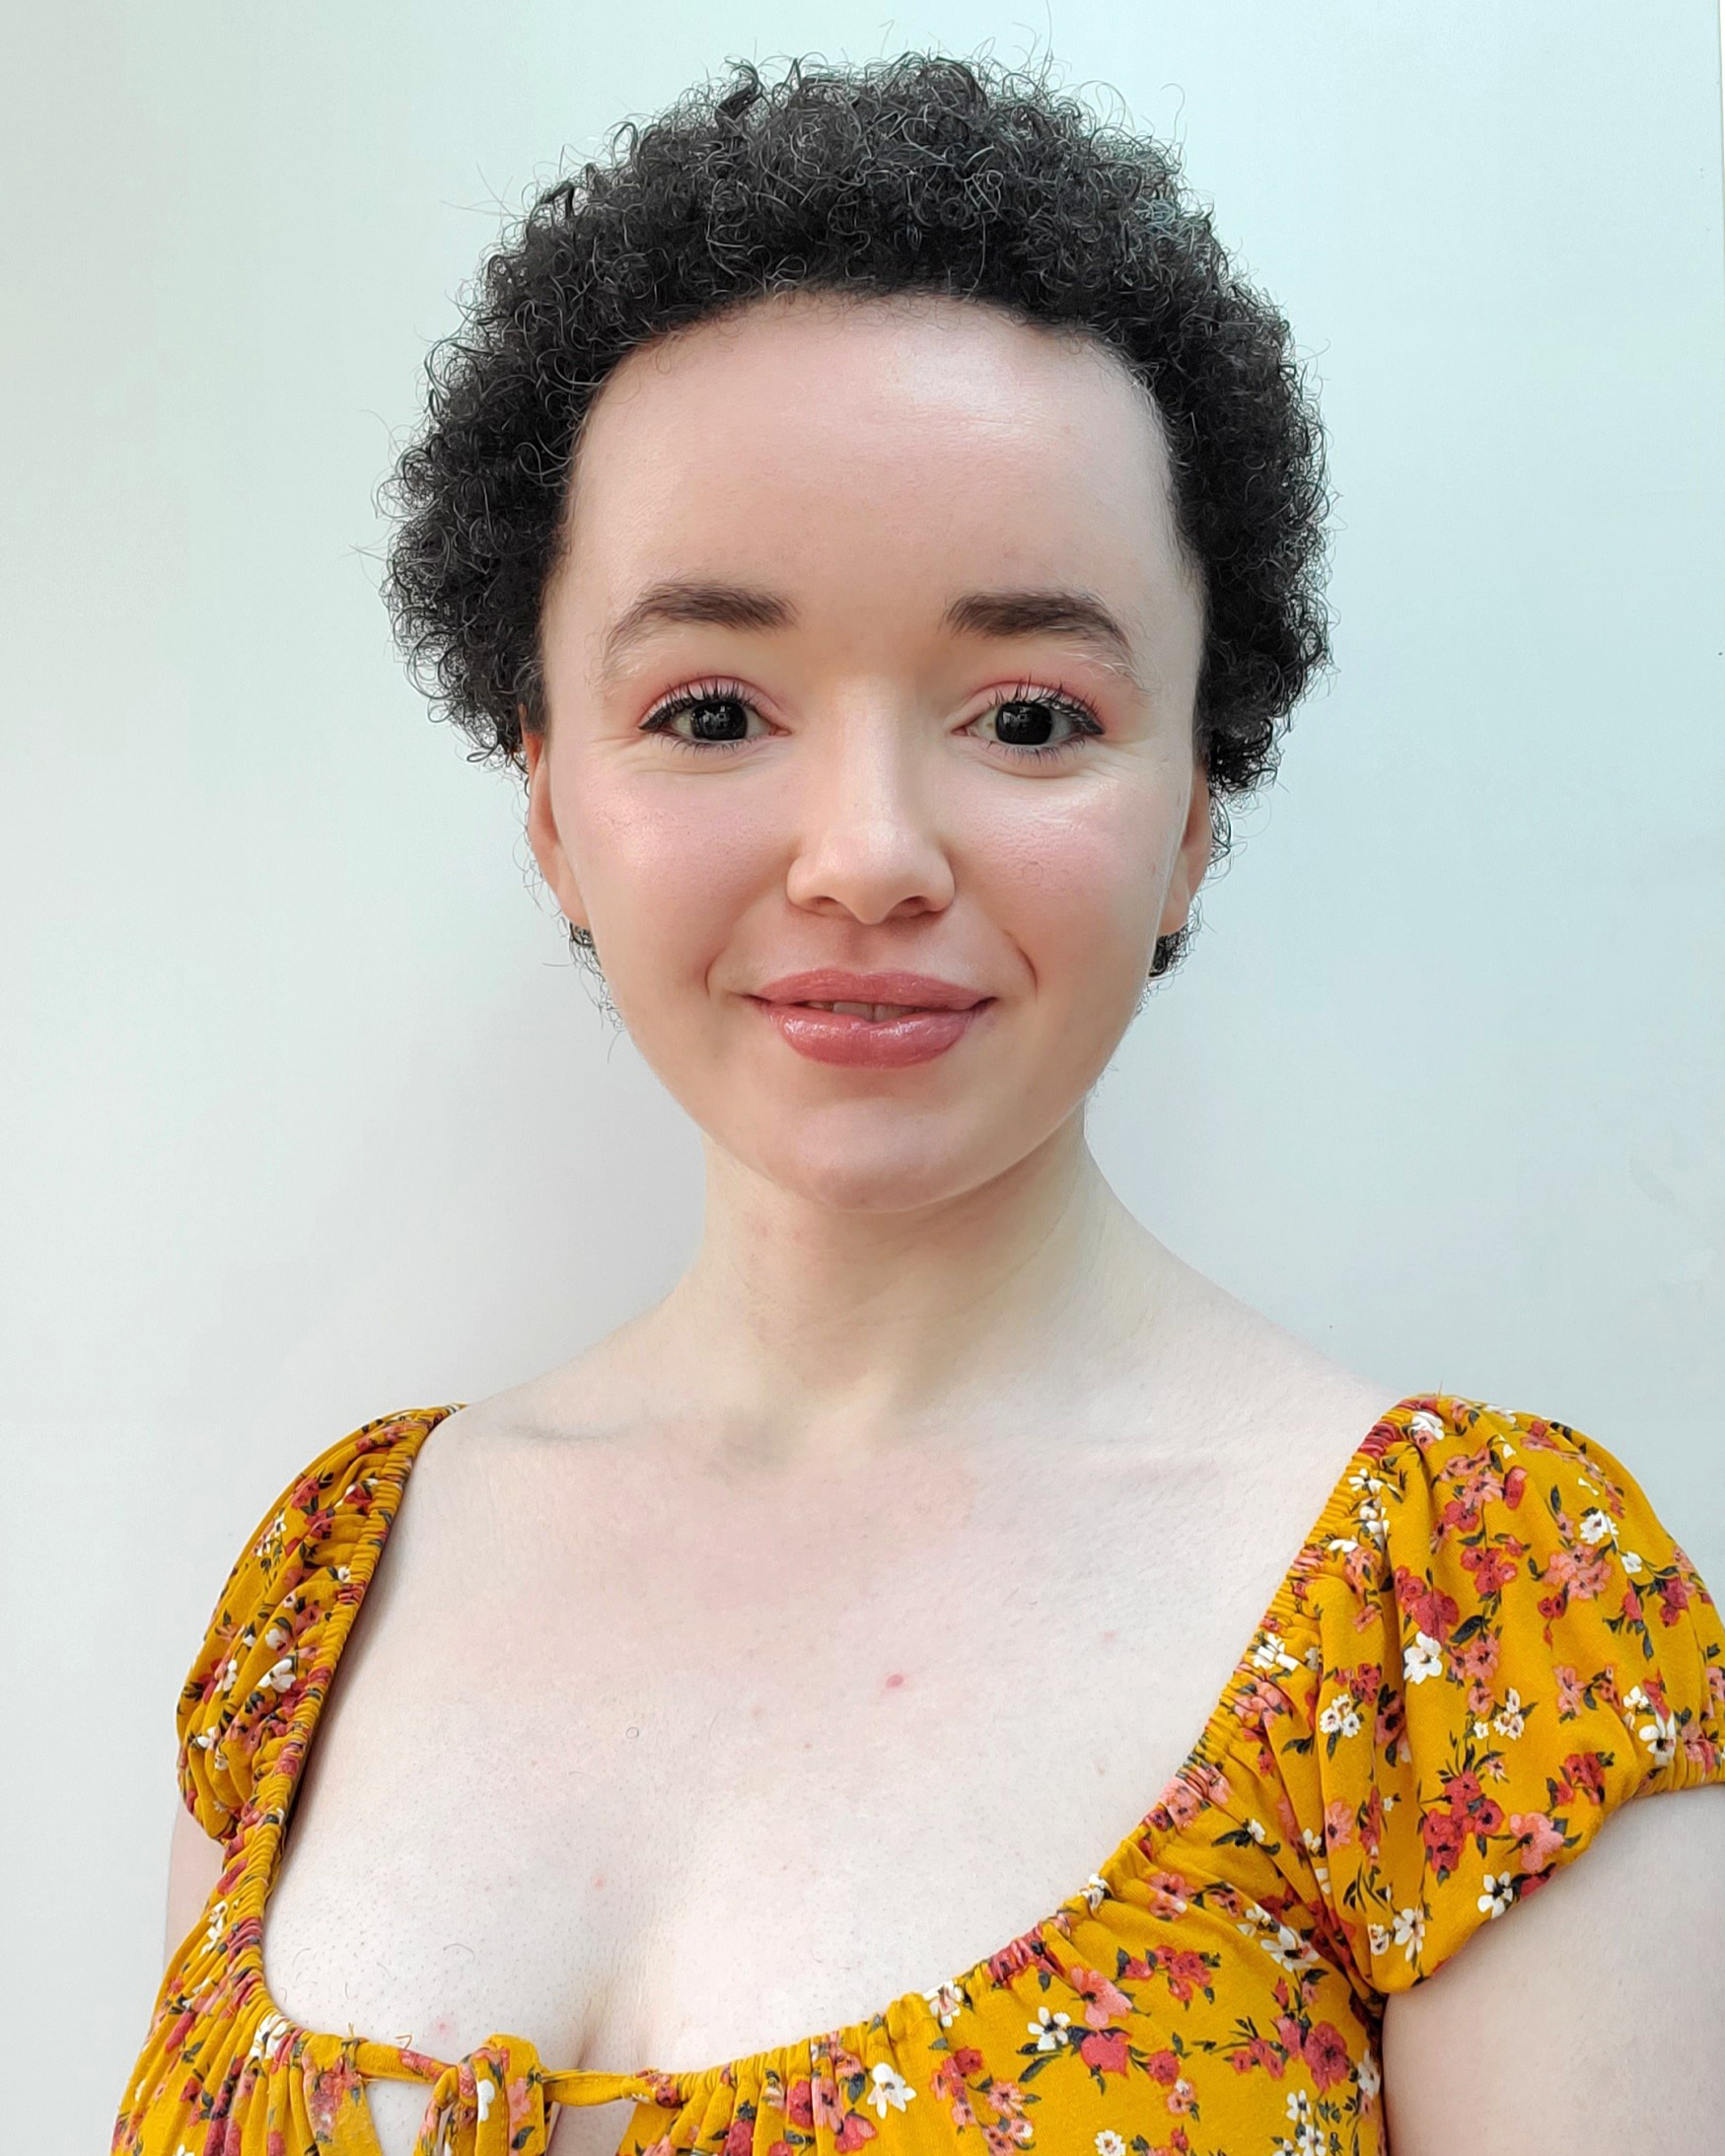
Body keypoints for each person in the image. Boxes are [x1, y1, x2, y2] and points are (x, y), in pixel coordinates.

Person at [113, 50, 1725, 2156]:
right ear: (549, 800)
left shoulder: (1471, 1617)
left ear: (1191, 814)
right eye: (711, 709)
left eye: (1028, 715)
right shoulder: (322, 1595)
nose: (867, 853)